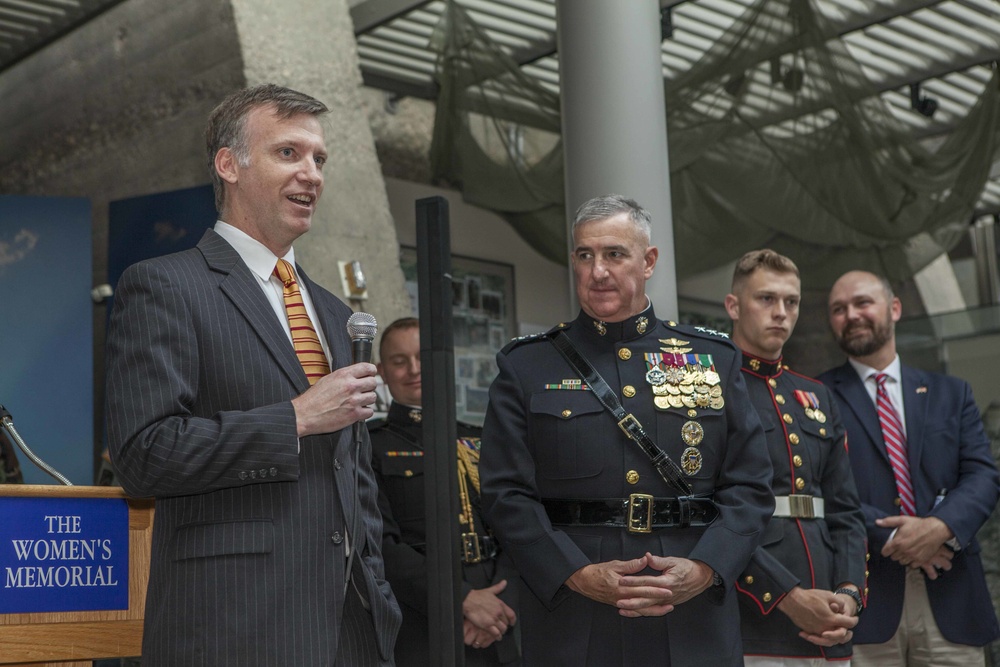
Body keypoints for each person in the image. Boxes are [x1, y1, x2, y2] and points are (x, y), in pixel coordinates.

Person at [106, 84, 401, 666]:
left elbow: (355, 476)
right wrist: (295, 418)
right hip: (235, 628)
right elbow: (143, 455)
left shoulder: (338, 315)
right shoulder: (166, 285)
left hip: (354, 630)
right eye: (288, 153)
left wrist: (377, 593)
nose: (312, 173)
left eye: (319, 158)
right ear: (228, 164)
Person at [479, 194, 775, 666]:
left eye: (614, 254)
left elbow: (751, 486)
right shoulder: (527, 366)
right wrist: (573, 572)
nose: (598, 271)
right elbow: (504, 492)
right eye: (585, 255)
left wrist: (705, 567)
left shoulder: (713, 359)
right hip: (575, 616)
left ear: (649, 260)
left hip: (690, 614)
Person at [818, 270, 1000, 667]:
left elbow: (983, 476)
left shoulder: (951, 393)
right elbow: (822, 490)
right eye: (839, 309)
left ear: (895, 309)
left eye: (863, 302)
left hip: (951, 593)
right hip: (864, 601)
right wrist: (902, 538)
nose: (852, 315)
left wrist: (938, 528)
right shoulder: (815, 398)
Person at [724, 250, 867, 665]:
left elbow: (845, 511)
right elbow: (712, 513)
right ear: (733, 306)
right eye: (765, 299)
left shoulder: (815, 396)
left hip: (832, 618)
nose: (781, 313)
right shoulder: (710, 392)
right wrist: (786, 595)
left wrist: (849, 592)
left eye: (791, 302)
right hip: (755, 617)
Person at [368, 317, 520, 666]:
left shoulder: (482, 439)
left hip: (502, 614)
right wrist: (462, 599)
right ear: (382, 371)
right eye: (399, 361)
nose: (413, 369)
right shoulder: (370, 446)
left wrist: (501, 598)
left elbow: (519, 522)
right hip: (424, 619)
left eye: (423, 357)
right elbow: (379, 545)